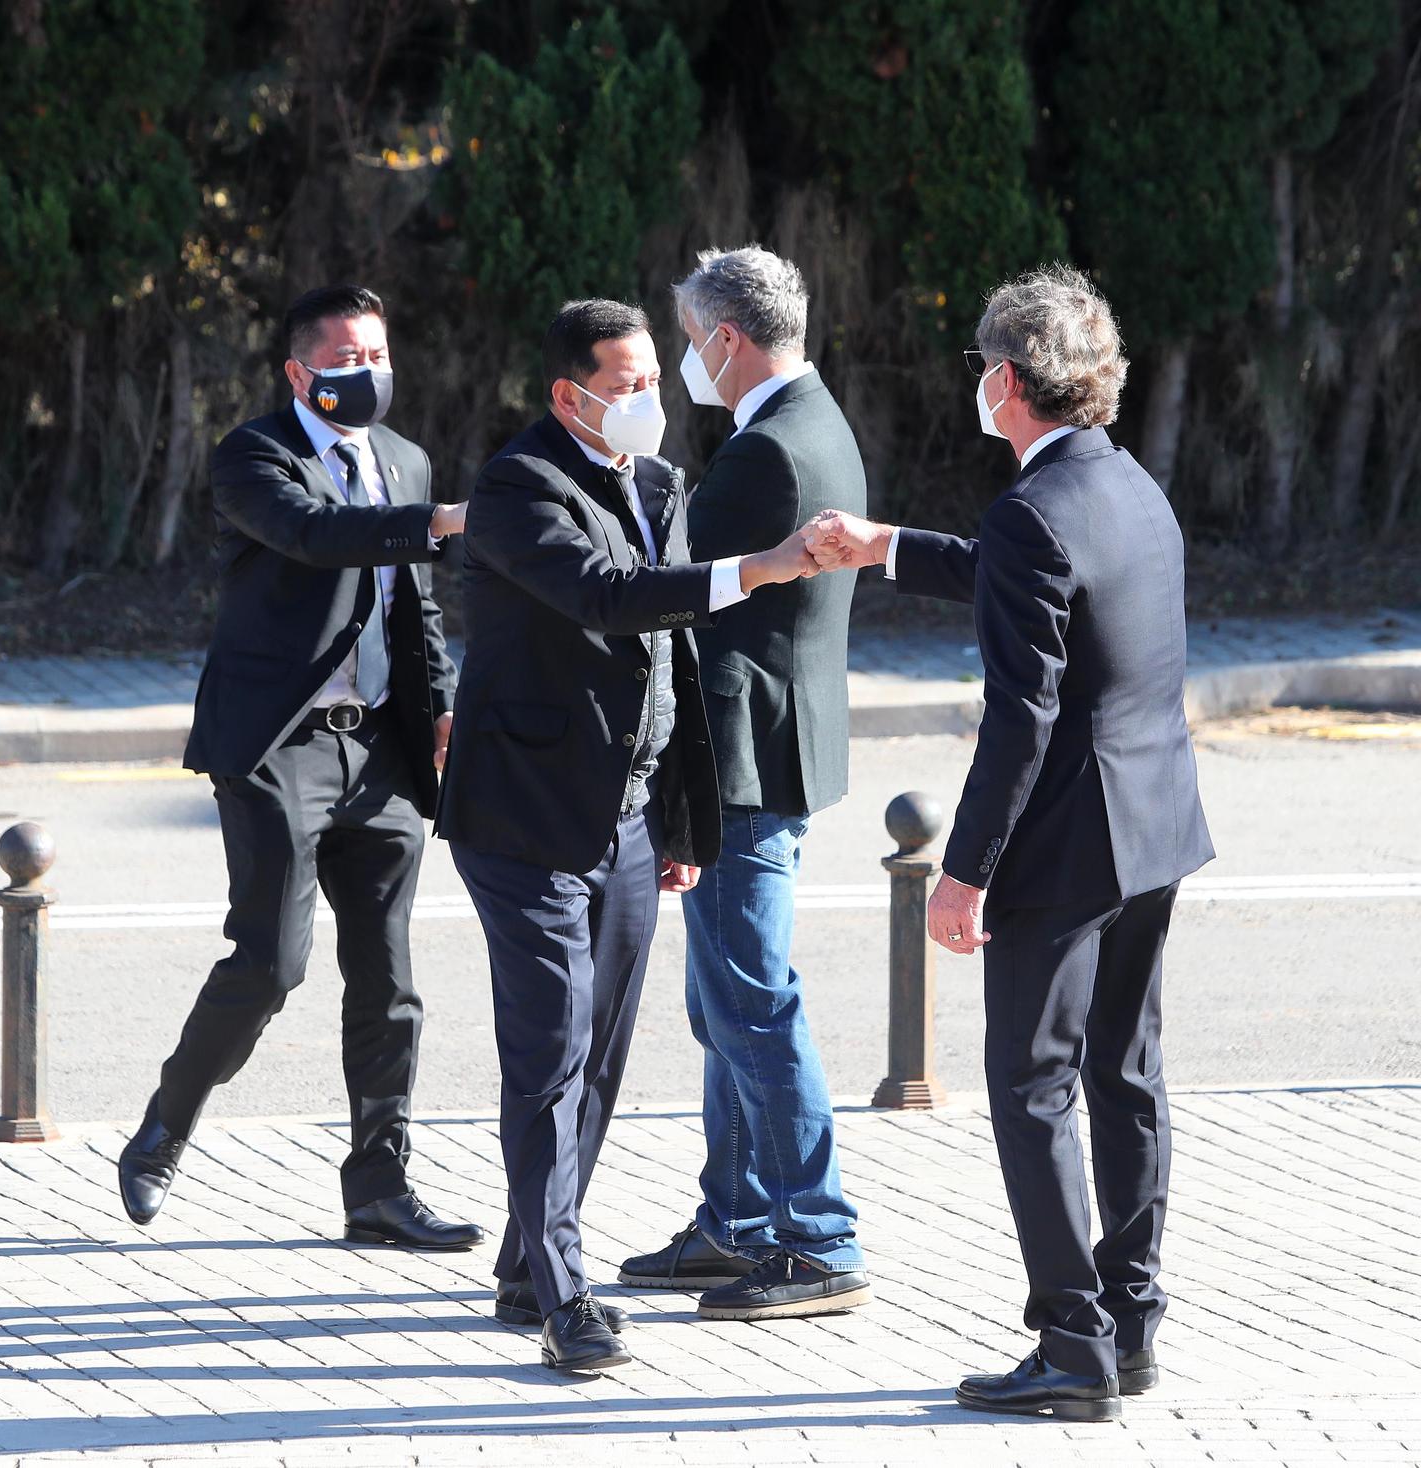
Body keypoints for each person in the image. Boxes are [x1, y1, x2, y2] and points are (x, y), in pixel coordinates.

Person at [808, 264, 1213, 1421]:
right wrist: (883, 545)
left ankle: (1069, 1346)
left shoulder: (1031, 512)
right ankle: (1128, 1322)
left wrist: (963, 871)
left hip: (1065, 848)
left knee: (1030, 1086)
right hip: (1152, 830)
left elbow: (1020, 715)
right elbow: (1023, 579)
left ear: (1001, 381)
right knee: (1124, 1072)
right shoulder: (1125, 484)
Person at [438, 298, 818, 1373]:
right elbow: (605, 598)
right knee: (549, 1052)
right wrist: (755, 568)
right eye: (627, 382)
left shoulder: (659, 484)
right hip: (524, 819)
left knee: (599, 1054)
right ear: (569, 394)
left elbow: (673, 663)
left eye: (654, 375)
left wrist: (682, 816)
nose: (649, 396)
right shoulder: (518, 488)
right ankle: (563, 1295)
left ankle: (525, 1257)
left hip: (633, 818)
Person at [118, 285, 481, 1253]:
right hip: (278, 742)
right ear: (297, 373)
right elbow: (319, 538)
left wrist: (439, 704)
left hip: (381, 748)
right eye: (345, 360)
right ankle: (164, 1127)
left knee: (390, 977)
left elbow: (416, 610)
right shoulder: (253, 457)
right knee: (270, 963)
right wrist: (435, 520)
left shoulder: (401, 459)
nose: (367, 374)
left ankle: (379, 1184)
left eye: (377, 354)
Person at [617, 247, 870, 1320]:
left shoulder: (764, 452)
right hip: (775, 745)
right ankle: (735, 1218)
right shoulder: (809, 419)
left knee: (751, 1001)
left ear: (723, 338)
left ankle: (814, 1235)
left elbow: (674, 591)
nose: (681, 359)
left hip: (744, 762)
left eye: (686, 335)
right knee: (725, 999)